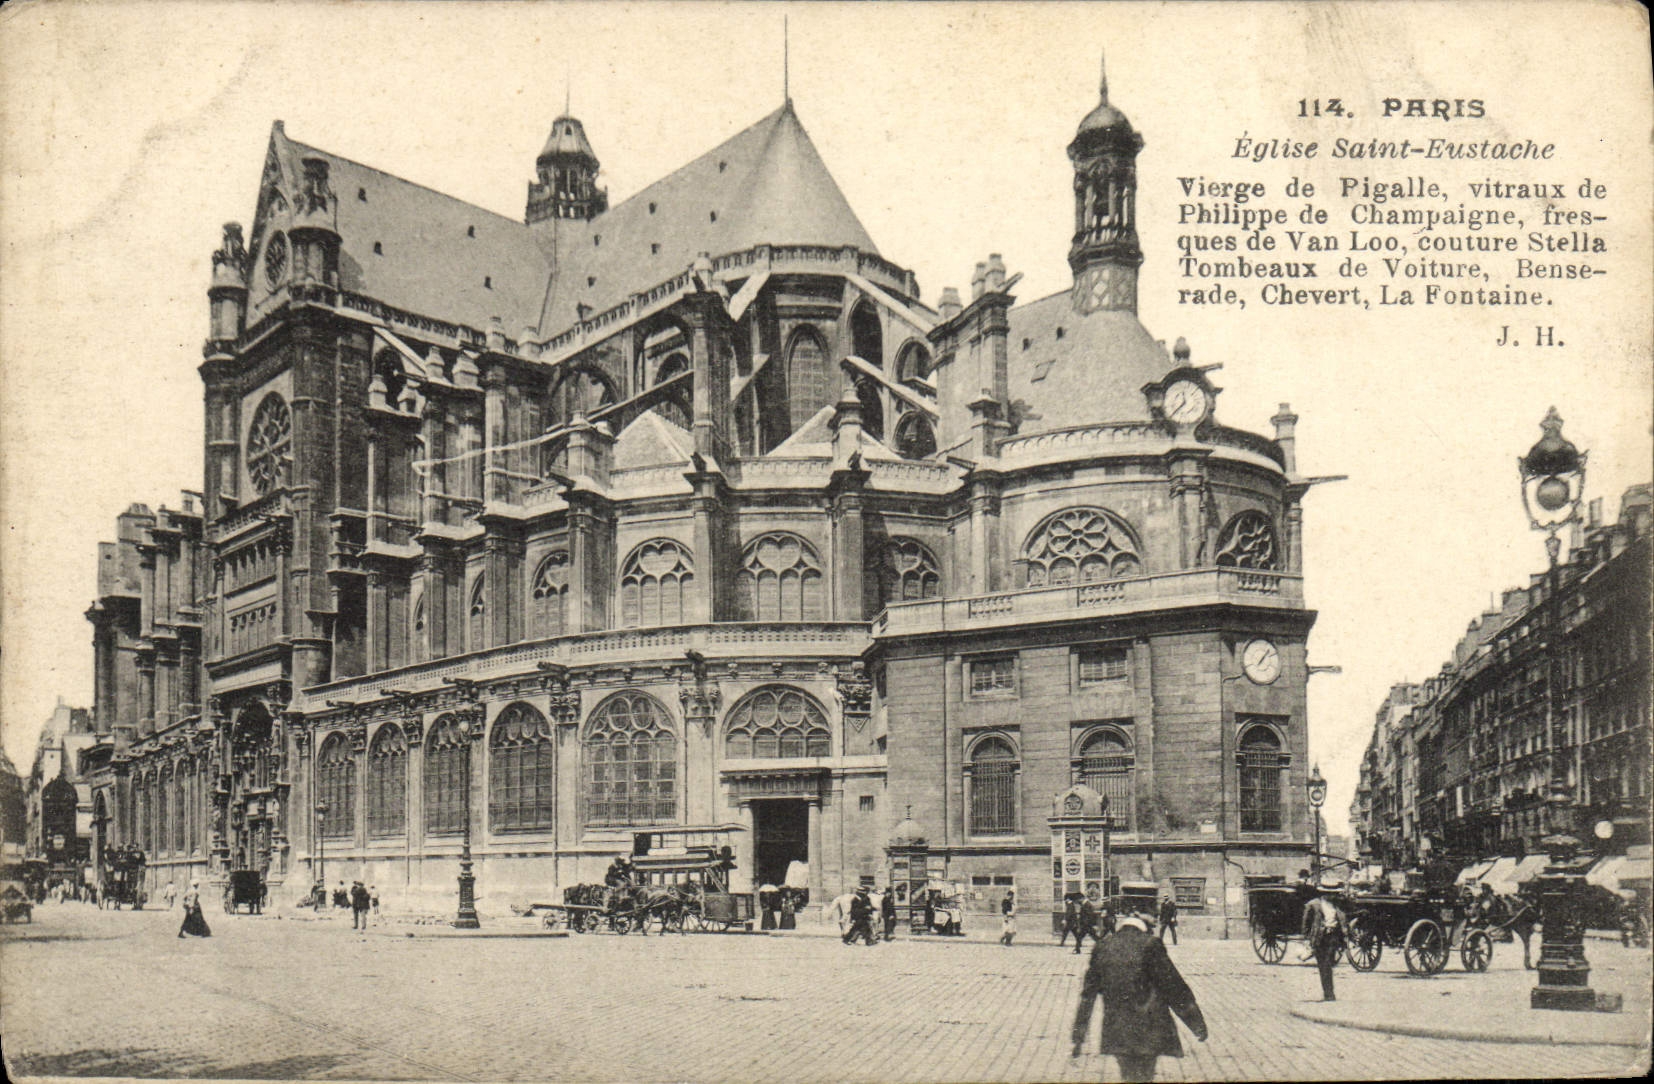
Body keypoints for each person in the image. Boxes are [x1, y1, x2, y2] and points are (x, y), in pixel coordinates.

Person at [1071, 905, 1207, 1083]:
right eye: (1153, 916)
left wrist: (1078, 1035)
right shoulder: (1151, 944)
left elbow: (1088, 995)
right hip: (1149, 1028)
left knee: (1128, 1075)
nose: (1155, 920)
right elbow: (1174, 987)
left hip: (1117, 1029)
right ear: (1141, 916)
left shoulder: (1103, 946)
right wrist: (1196, 1023)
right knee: (1145, 1075)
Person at [1302, 893, 1344, 1002]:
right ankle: (1329, 994)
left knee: (1328, 963)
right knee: (1324, 965)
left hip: (1333, 936)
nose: (1332, 895)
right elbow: (1306, 922)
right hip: (1319, 938)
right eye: (1329, 893)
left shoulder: (1336, 904)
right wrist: (1306, 938)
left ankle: (1329, 993)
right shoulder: (1314, 904)